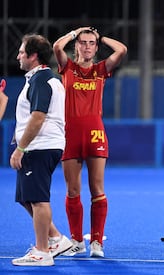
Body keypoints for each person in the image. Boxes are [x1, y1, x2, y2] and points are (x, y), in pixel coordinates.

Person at [53, 26, 127, 257]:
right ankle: (77, 240)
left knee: (97, 188)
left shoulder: (100, 69)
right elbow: (56, 46)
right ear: (76, 45)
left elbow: (122, 49)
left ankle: (97, 242)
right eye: (83, 42)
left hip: (95, 133)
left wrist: (101, 37)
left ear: (96, 47)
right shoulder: (67, 67)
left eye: (91, 43)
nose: (87, 47)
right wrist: (76, 32)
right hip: (70, 133)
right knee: (73, 190)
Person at [10, 34, 73, 266]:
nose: (18, 56)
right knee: (26, 197)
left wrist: (21, 148)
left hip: (39, 147)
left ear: (33, 56)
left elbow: (38, 117)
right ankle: (55, 239)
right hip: (43, 145)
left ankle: (43, 251)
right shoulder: (45, 79)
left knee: (37, 199)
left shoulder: (41, 79)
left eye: (21, 52)